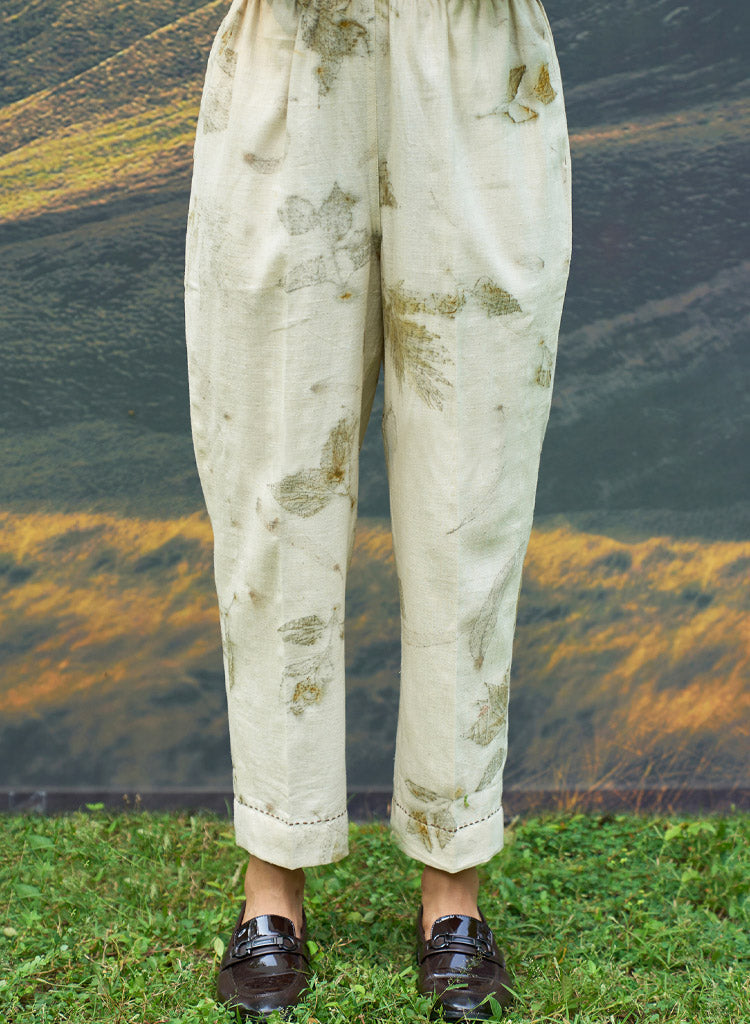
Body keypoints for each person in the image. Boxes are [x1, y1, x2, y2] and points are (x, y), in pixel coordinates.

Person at [184, 0, 572, 1018]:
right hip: (293, 51)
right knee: (273, 491)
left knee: (471, 500)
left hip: (477, 57)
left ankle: (454, 891)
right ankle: (273, 882)